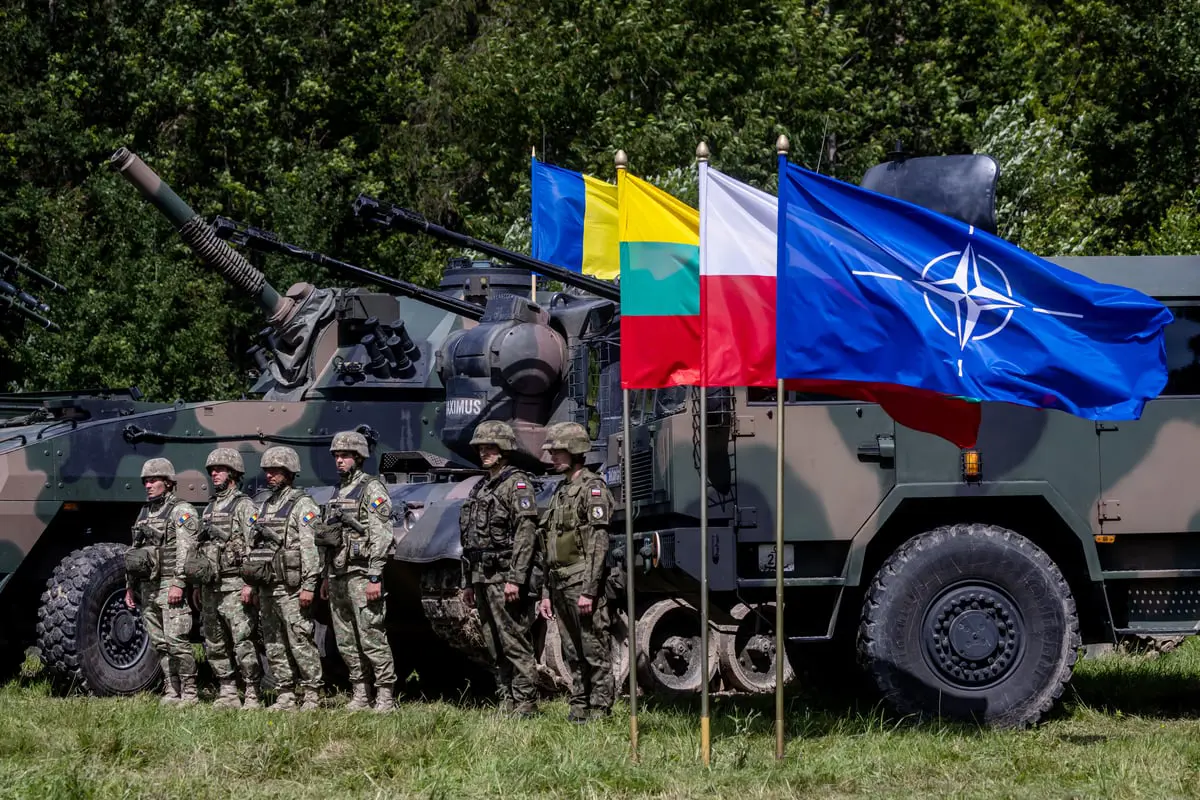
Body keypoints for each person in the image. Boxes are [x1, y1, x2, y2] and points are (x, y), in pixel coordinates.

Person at [459, 420, 541, 717]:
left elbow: (525, 534)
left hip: (504, 575)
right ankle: (506, 699)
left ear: (505, 448)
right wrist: (467, 581)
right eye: (481, 448)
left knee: (514, 638)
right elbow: (470, 539)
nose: (484, 453)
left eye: (490, 447)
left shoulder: (516, 484)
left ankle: (526, 702)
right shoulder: (481, 487)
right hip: (481, 575)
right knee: (492, 641)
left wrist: (516, 579)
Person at [537, 422, 615, 723]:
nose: (553, 457)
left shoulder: (592, 489)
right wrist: (545, 593)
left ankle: (600, 709)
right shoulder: (560, 491)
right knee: (572, 650)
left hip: (580, 581)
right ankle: (579, 706)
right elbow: (550, 544)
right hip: (559, 582)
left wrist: (589, 590)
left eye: (558, 452)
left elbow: (598, 544)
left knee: (593, 648)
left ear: (575, 451)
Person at [317, 430, 396, 712]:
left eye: (345, 455)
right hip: (338, 574)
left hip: (363, 575)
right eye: (337, 455)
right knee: (346, 640)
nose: (339, 460)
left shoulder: (371, 489)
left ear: (359, 457)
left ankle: (385, 695)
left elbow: (381, 536)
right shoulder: (338, 492)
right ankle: (361, 693)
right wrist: (327, 575)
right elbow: (330, 537)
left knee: (371, 635)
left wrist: (375, 575)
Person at [242, 445, 323, 711]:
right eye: (267, 471)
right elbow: (255, 549)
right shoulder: (264, 506)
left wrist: (309, 585)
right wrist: (251, 584)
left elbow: (311, 549)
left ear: (289, 472)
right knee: (274, 642)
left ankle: (311, 694)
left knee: (300, 639)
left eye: (275, 471)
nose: (270, 476)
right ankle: (286, 694)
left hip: (292, 587)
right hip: (267, 586)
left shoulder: (303, 506)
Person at [186, 447, 261, 709]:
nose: (213, 474)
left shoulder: (244, 506)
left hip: (234, 585)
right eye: (211, 471)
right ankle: (227, 691)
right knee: (214, 640)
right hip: (210, 587)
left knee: (242, 640)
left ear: (233, 473)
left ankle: (251, 691)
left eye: (218, 470)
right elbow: (199, 548)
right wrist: (196, 584)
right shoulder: (209, 508)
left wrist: (250, 583)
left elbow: (254, 546)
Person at [124, 457, 200, 706]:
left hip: (170, 584)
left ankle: (189, 691)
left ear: (168, 483)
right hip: (148, 586)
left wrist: (179, 583)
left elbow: (186, 551)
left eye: (154, 480)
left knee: (177, 641)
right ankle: (171, 688)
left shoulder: (181, 511)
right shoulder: (145, 512)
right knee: (159, 643)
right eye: (146, 481)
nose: (148, 485)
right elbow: (135, 552)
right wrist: (129, 586)